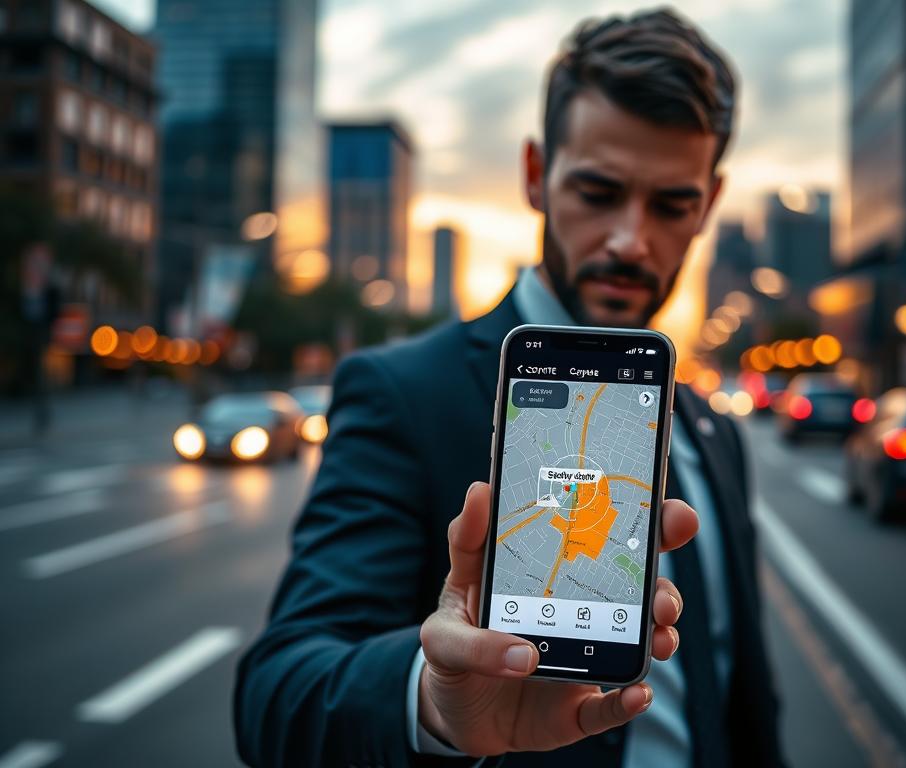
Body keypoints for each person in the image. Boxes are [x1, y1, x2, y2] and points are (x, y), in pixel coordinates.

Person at [234, 8, 785, 767]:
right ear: (534, 175)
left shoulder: (706, 427)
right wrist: (434, 701)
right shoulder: (402, 392)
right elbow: (279, 694)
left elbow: (743, 695)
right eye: (598, 191)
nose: (630, 239)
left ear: (710, 204)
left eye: (672, 205)